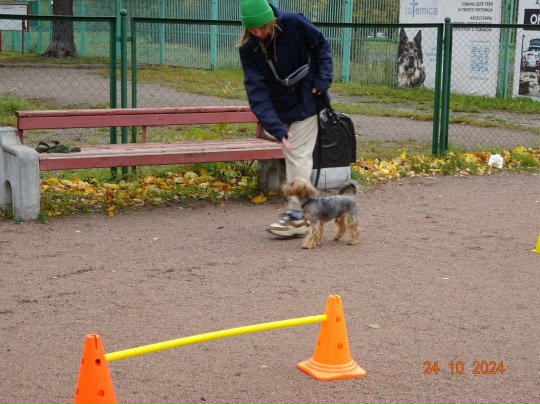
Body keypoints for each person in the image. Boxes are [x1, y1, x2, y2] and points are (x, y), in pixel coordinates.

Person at [238, 0, 333, 238]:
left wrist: (322, 80)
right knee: (293, 155)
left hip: (308, 99)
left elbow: (321, 46)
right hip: (282, 110)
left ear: (271, 19)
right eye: (252, 29)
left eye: (262, 27)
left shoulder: (294, 23)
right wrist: (276, 128)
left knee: (297, 154)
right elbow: (257, 94)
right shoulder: (248, 49)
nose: (258, 33)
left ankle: (297, 215)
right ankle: (304, 212)